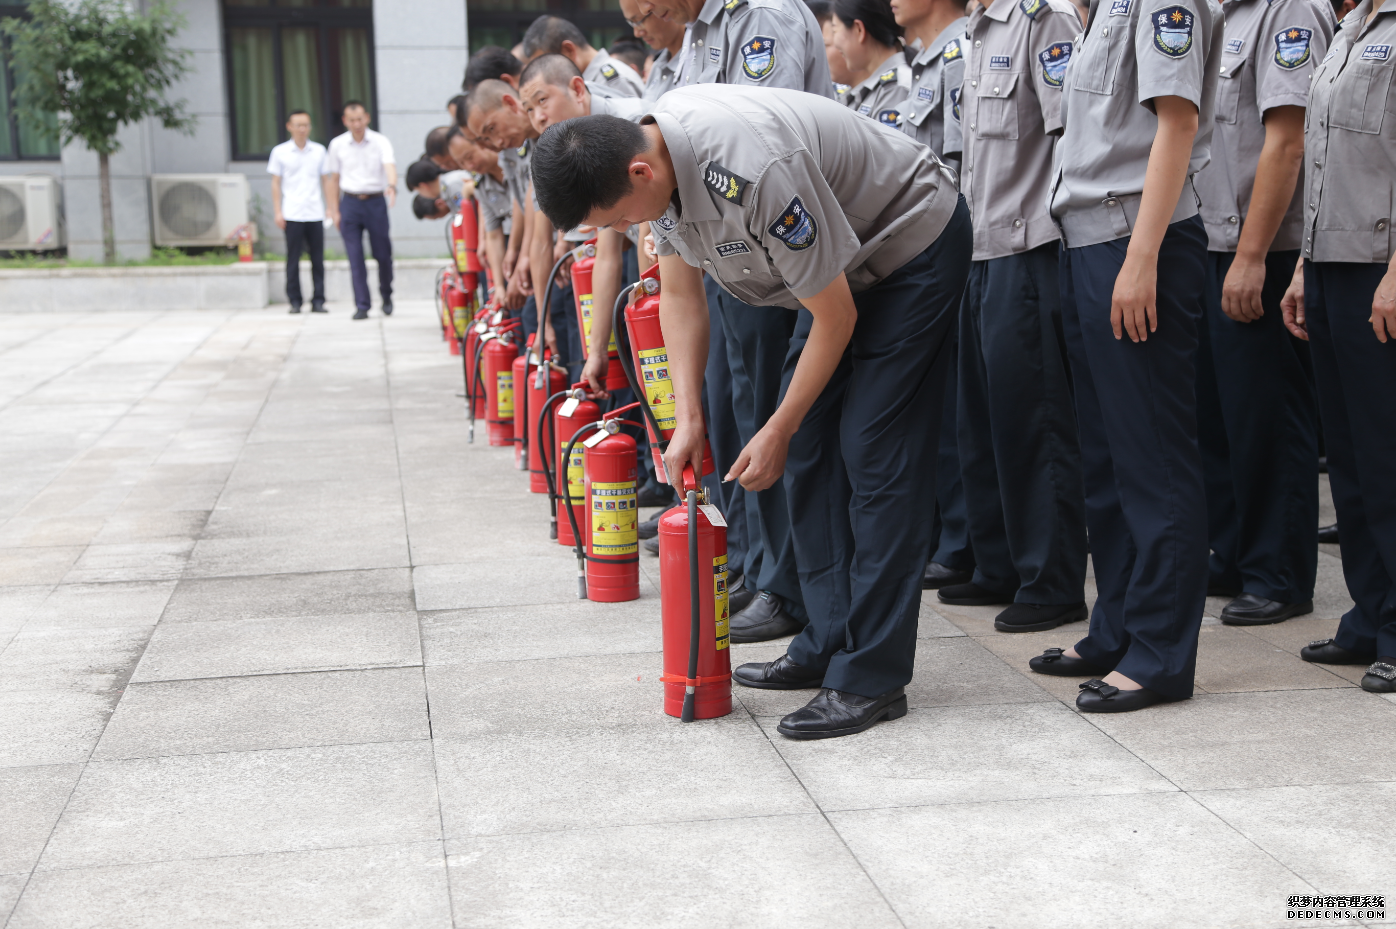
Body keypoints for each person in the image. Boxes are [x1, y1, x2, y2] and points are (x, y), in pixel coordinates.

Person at [531, 86, 970, 739]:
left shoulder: (747, 169)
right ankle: (826, 637)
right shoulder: (651, 163)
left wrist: (778, 426)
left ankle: (871, 675)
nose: (625, 231)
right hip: (837, 274)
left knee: (874, 452)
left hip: (907, 247)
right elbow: (680, 296)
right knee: (809, 450)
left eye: (617, 219)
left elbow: (836, 316)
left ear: (639, 174)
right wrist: (690, 418)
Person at [1030, 0, 1222, 712]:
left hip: (1136, 240)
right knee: (1107, 461)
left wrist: (1141, 259)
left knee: (1154, 459)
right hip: (1087, 240)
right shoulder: (1104, 9)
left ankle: (1161, 653)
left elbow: (1177, 121)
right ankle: (1116, 626)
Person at [635, 0, 834, 643]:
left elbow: (754, 138)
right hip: (725, 250)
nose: (648, 18)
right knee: (733, 411)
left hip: (779, 248)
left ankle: (790, 584)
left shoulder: (764, 17)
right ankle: (757, 564)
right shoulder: (700, 32)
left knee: (773, 420)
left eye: (648, 9)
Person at [942, 0, 1088, 633]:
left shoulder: (1043, 18)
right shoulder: (976, 31)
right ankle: (998, 562)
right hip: (978, 249)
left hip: (1030, 247)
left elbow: (1069, 138)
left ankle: (1051, 579)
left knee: (1036, 425)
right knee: (982, 424)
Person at [1190, 0, 1332, 626]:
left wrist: (1251, 256)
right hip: (1210, 242)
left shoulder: (1290, 9)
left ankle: (1278, 573)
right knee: (1217, 419)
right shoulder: (1223, 14)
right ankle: (1233, 554)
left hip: (1263, 248)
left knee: (1268, 420)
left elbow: (1288, 142)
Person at [1283, 0, 1396, 695]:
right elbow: (1324, 160)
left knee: (1387, 458)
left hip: (1379, 267)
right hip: (1329, 263)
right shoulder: (1350, 28)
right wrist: (1302, 266)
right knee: (1350, 462)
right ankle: (1369, 611)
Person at [892, 0, 973, 592]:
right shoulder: (918, 66)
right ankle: (956, 540)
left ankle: (966, 542)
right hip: (923, 251)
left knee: (965, 411)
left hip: (962, 241)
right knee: (944, 407)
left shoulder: (963, 50)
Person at [325, 101, 397, 320]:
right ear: (345, 121)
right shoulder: (337, 144)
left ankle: (386, 294)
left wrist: (392, 186)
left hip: (375, 202)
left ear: (367, 118)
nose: (357, 124)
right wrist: (334, 210)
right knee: (355, 256)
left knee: (383, 254)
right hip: (350, 203)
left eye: (360, 119)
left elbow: (389, 166)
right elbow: (333, 179)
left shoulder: (380, 141)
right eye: (351, 120)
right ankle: (362, 305)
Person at [267, 110, 331, 315]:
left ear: (310, 127)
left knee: (318, 259)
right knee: (292, 258)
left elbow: (326, 181)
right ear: (289, 127)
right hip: (292, 212)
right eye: (298, 125)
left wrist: (330, 207)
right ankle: (295, 301)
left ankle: (318, 300)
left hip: (315, 212)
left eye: (306, 125)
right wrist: (278, 211)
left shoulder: (320, 151)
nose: (302, 129)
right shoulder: (280, 152)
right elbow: (276, 183)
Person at [521, 15, 647, 97]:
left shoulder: (613, 81)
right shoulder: (586, 81)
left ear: (568, 50)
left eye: (547, 65)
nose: (546, 75)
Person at [830, 0, 911, 124]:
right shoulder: (871, 89)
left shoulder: (895, 88)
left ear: (859, 30)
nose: (835, 42)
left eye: (835, 30)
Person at [620, 0, 687, 101]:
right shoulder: (657, 66)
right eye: (631, 23)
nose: (637, 33)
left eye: (639, 21)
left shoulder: (694, 60)